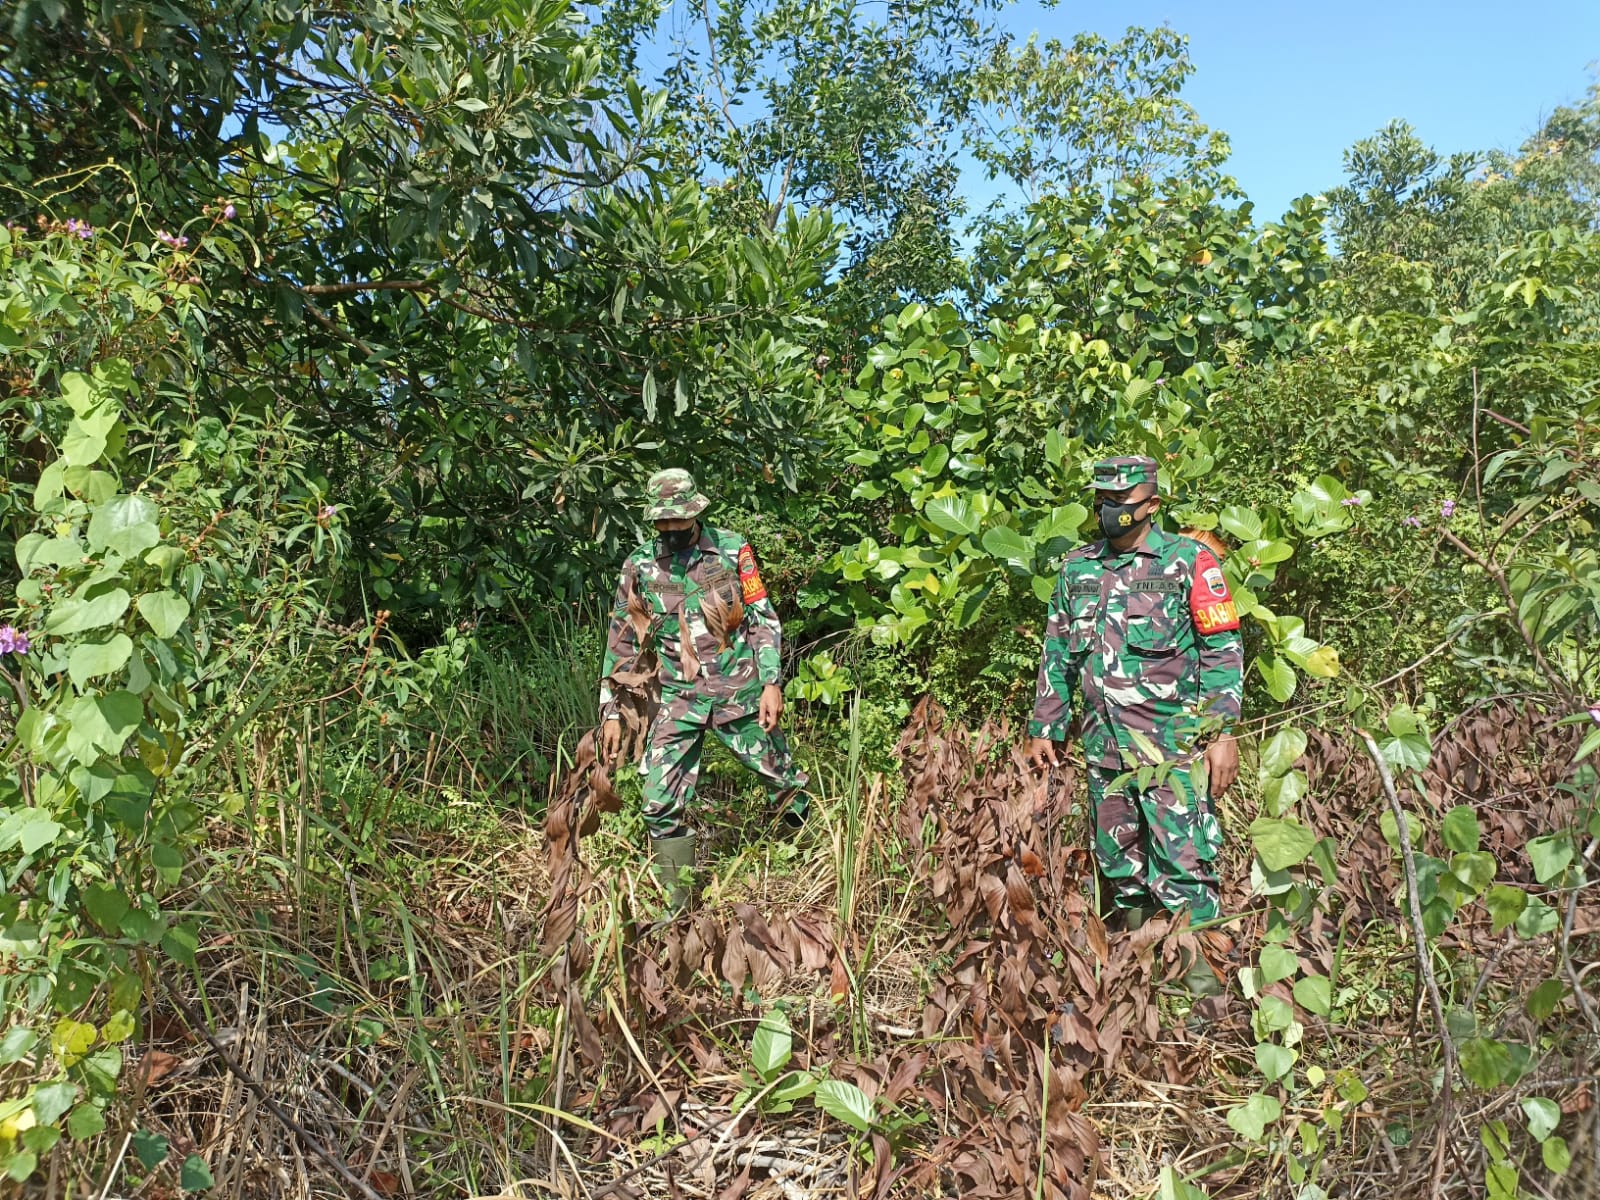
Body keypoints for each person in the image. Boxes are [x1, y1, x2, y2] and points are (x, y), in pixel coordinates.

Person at [1025, 456, 1243, 993]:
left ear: (1151, 505)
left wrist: (1222, 732)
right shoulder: (1077, 569)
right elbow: (1057, 652)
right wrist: (1045, 725)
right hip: (1104, 751)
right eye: (1103, 503)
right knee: (1121, 871)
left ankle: (1203, 1001)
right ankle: (1140, 990)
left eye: (1121, 505)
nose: (1110, 513)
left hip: (1174, 752)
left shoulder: (1190, 563)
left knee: (1184, 868)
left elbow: (1222, 649)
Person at [598, 469, 810, 907]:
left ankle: (805, 870)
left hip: (742, 692)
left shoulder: (733, 551)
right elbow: (621, 641)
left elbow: (763, 619)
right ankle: (678, 908)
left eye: (680, 521)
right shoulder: (639, 565)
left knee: (784, 783)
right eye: (663, 522)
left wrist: (771, 682)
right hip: (679, 700)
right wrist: (613, 711)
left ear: (697, 512)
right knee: (657, 803)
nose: (672, 530)